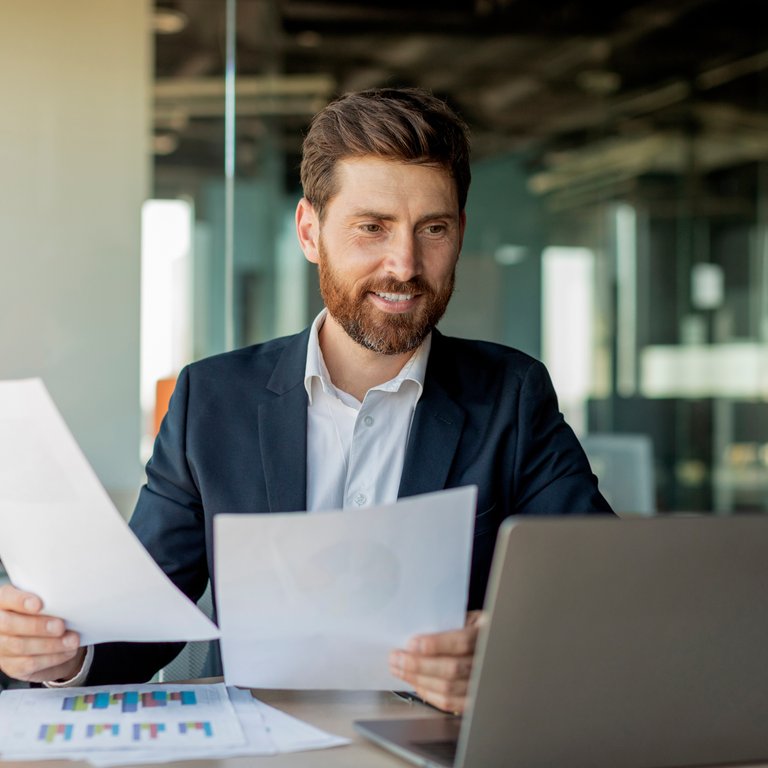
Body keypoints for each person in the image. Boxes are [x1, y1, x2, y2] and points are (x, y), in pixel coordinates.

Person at [0, 87, 612, 713]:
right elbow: (145, 616)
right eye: (372, 227)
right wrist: (65, 655)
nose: (404, 264)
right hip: (255, 747)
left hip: (429, 747)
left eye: (433, 228)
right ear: (309, 231)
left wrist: (506, 652)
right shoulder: (211, 401)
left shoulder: (511, 396)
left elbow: (604, 592)